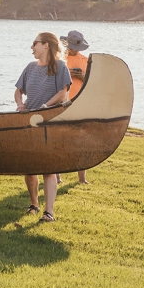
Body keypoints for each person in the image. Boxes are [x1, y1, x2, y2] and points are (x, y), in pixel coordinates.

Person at [15, 32, 73, 222]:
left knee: (48, 168)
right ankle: (34, 204)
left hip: (50, 122)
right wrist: (20, 104)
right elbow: (18, 91)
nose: (32, 47)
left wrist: (46, 107)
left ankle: (49, 212)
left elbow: (63, 92)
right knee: (29, 168)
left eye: (35, 44)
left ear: (46, 45)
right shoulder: (30, 68)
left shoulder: (60, 67)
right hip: (29, 122)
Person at [60, 29, 91, 185]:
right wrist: (67, 74)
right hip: (62, 103)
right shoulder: (60, 59)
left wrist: (81, 76)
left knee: (80, 141)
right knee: (59, 140)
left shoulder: (86, 60)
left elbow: (91, 82)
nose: (74, 49)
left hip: (79, 103)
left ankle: (82, 179)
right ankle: (56, 177)